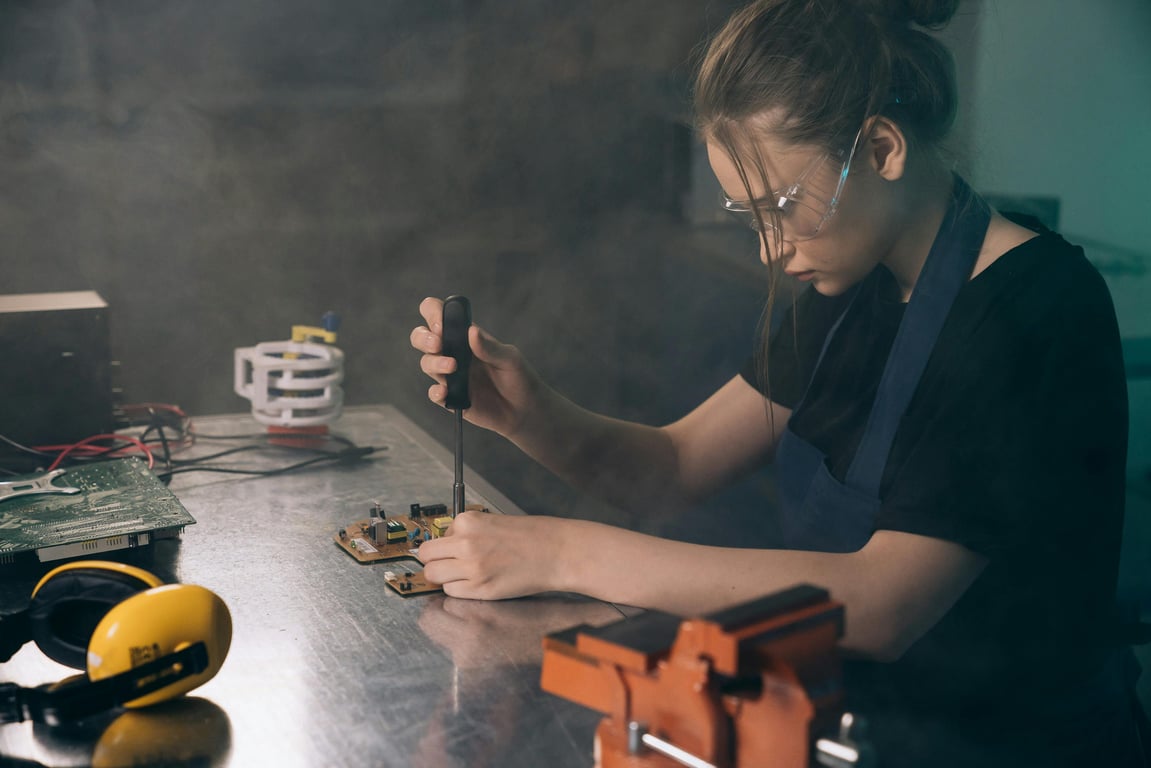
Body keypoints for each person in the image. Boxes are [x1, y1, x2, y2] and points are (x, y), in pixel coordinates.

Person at [409, 0, 1147, 764]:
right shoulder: (848, 290)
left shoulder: (1030, 310)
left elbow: (884, 603)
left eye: (782, 209)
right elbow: (676, 466)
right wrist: (531, 414)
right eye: (747, 217)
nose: (769, 251)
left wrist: (564, 554)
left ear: (883, 148)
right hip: (847, 728)